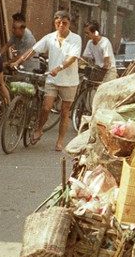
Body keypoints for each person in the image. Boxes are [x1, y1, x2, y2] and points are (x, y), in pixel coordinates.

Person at [9, 10, 82, 152]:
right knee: (46, 107)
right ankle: (39, 129)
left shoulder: (76, 39)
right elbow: (33, 50)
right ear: (55, 23)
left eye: (64, 23)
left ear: (69, 24)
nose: (61, 25)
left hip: (69, 81)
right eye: (58, 22)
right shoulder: (49, 38)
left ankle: (60, 141)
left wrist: (59, 68)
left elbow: (72, 58)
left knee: (64, 112)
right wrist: (18, 61)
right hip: (52, 79)